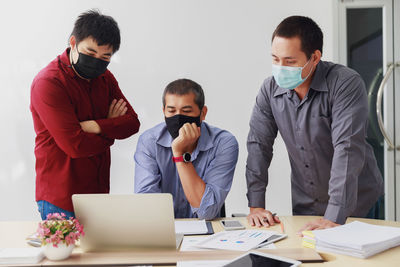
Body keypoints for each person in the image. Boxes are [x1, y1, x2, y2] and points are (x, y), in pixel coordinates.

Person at [246, 16, 383, 232]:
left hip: (357, 205)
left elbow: (347, 148)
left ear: (315, 57)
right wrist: (256, 206)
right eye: (275, 59)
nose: (281, 68)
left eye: (290, 61)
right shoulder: (269, 90)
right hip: (306, 204)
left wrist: (335, 216)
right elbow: (258, 146)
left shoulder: (345, 83)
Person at [30, 10, 140, 220]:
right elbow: (75, 146)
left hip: (98, 193)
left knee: (98, 253)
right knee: (66, 254)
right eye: (90, 54)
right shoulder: (49, 83)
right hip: (60, 197)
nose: (97, 62)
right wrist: (110, 128)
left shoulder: (105, 78)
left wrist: (96, 126)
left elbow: (132, 123)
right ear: (73, 42)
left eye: (105, 57)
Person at [134, 79, 238, 220]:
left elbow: (206, 211)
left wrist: (179, 155)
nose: (178, 117)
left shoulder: (223, 143)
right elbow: (146, 207)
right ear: (163, 111)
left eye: (186, 111)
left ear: (202, 113)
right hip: (164, 229)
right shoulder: (149, 142)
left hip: (208, 233)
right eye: (171, 111)